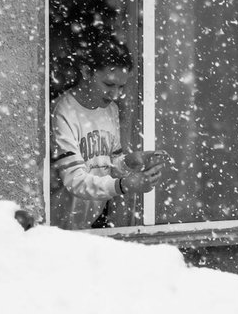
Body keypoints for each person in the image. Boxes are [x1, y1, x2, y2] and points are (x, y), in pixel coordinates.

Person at [50, 36, 170, 230]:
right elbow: (74, 181)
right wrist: (124, 185)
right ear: (86, 72)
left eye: (121, 86)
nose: (115, 94)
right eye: (109, 84)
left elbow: (108, 165)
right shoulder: (61, 112)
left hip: (85, 227)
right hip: (53, 230)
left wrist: (130, 161)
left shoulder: (110, 109)